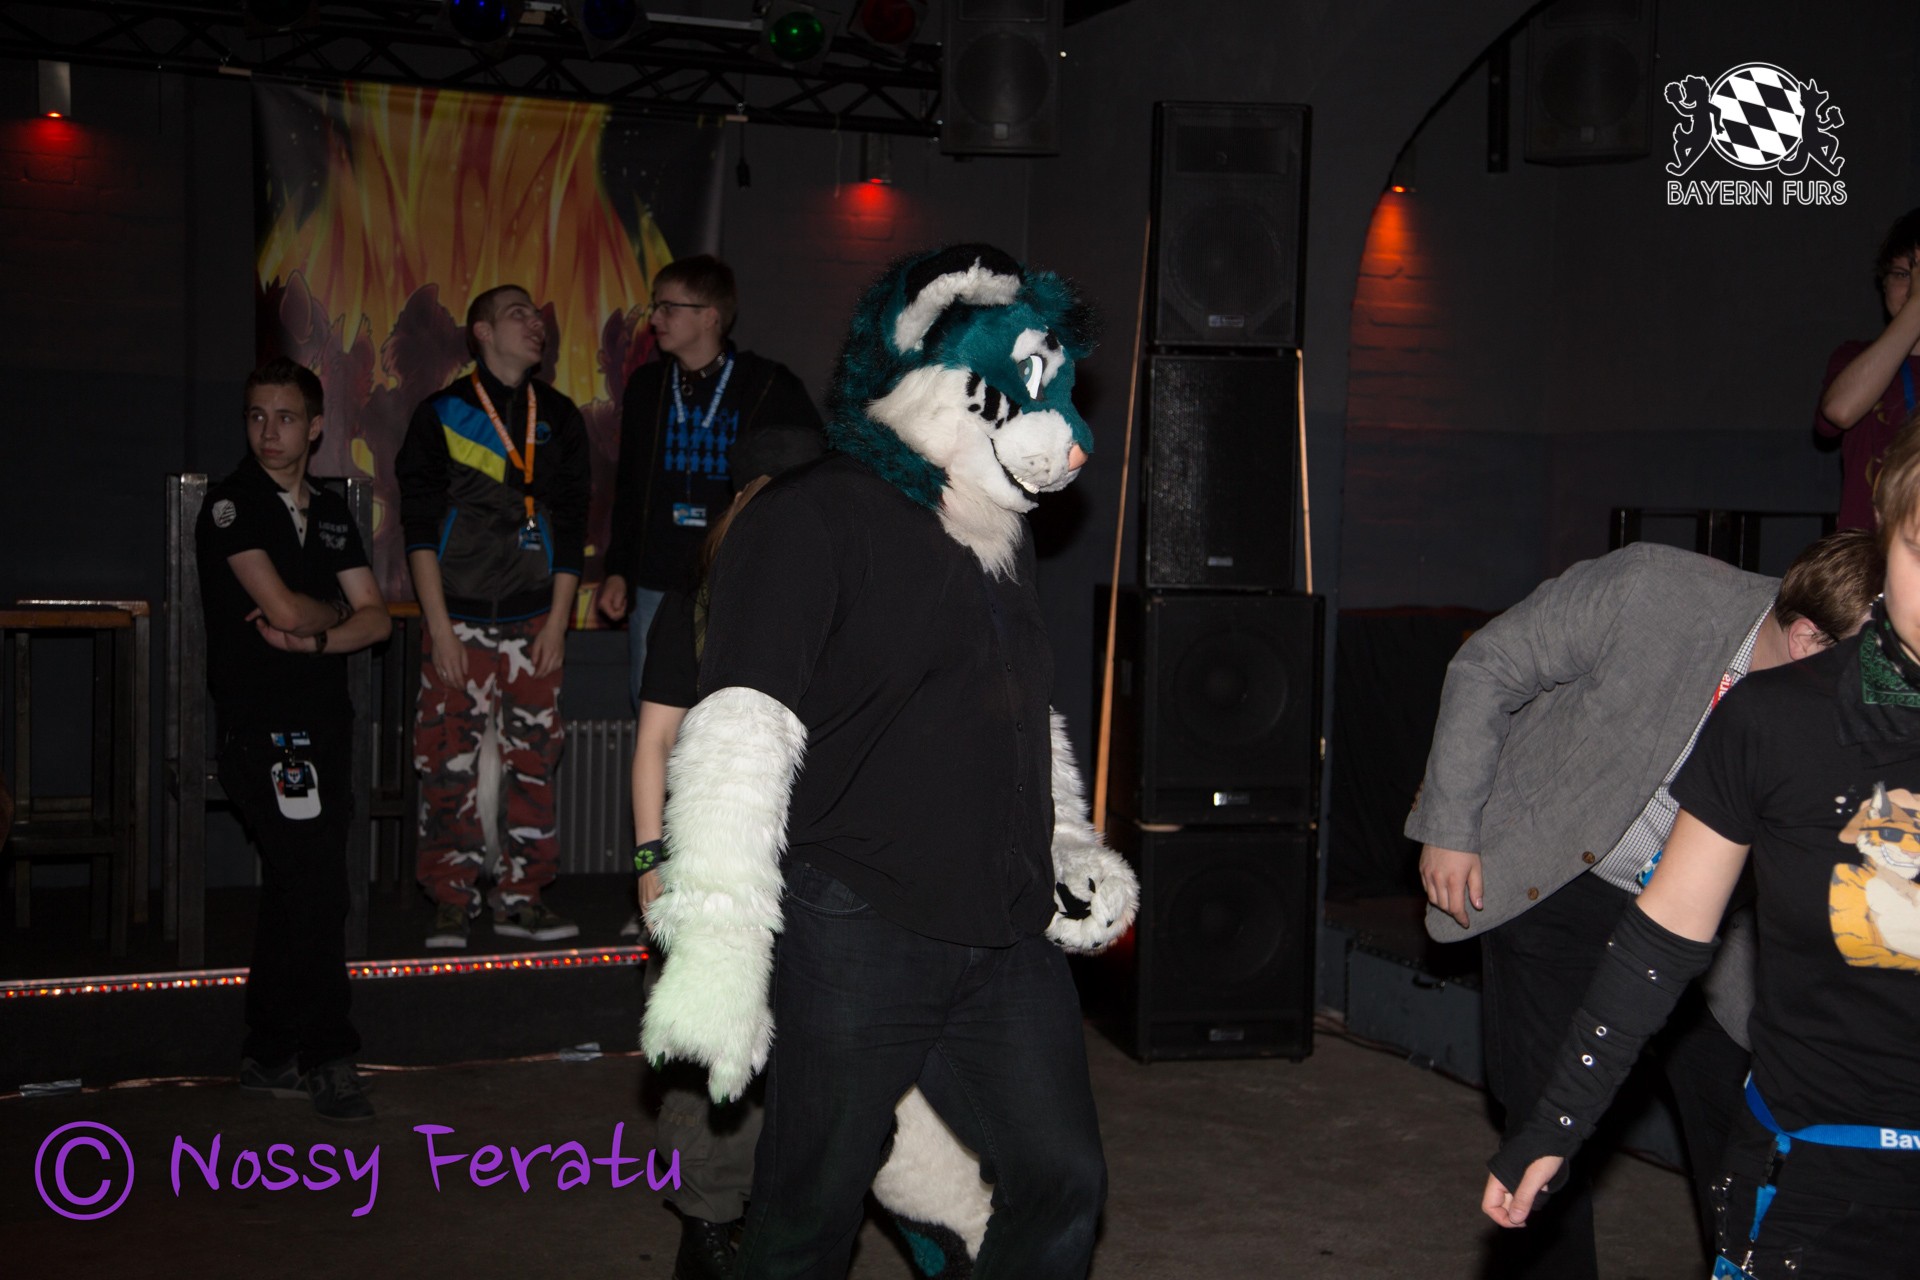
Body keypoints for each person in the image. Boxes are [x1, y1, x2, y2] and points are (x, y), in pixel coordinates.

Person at [639, 245, 1137, 1279]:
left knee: (1063, 1178)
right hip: (857, 924)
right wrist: (719, 946)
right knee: (808, 1215)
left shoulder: (999, 531)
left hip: (1003, 927)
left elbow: (1021, 713)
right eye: (1009, 393)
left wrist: (1067, 845)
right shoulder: (808, 512)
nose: (1063, 438)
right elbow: (737, 731)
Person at [1485, 438, 1920, 1278]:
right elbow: (1664, 934)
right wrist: (1557, 1122)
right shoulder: (1775, 719)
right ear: (1887, 532)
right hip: (1813, 1177)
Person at [630, 426, 824, 1280]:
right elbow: (654, 739)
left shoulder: (834, 590)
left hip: (818, 860)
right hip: (712, 860)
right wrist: (649, 860)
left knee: (817, 1050)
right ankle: (707, 1226)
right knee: (711, 1045)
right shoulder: (701, 596)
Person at [197, 358, 391, 1122]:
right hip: (264, 729)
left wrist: (318, 637)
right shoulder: (231, 506)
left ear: (314, 428)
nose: (267, 431)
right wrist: (331, 617)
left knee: (299, 883)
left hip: (324, 719)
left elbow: (376, 619)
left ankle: (269, 1050)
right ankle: (328, 1056)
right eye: (256, 416)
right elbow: (282, 607)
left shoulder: (334, 511)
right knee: (316, 884)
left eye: (283, 418)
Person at [396, 284, 592, 949]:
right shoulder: (441, 414)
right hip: (458, 619)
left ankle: (522, 898)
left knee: (534, 759)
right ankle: (451, 899)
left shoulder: (559, 417)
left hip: (536, 620)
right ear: (481, 332)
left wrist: (559, 623)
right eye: (517, 315)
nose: (535, 323)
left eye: (537, 315)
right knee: (447, 759)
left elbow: (572, 528)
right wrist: (441, 629)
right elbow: (419, 531)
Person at [598, 255, 825, 707]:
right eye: (655, 307)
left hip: (736, 582)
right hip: (656, 582)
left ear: (709, 317)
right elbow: (629, 487)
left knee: (725, 711)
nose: (655, 319)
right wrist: (618, 570)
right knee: (654, 709)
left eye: (668, 307)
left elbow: (809, 478)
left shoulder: (767, 385)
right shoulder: (647, 386)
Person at [1816, 208, 1920, 529]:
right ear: (1883, 283)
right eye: (1902, 275)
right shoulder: (1854, 356)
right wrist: (1916, 307)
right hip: (1868, 553)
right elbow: (1839, 411)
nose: (1913, 289)